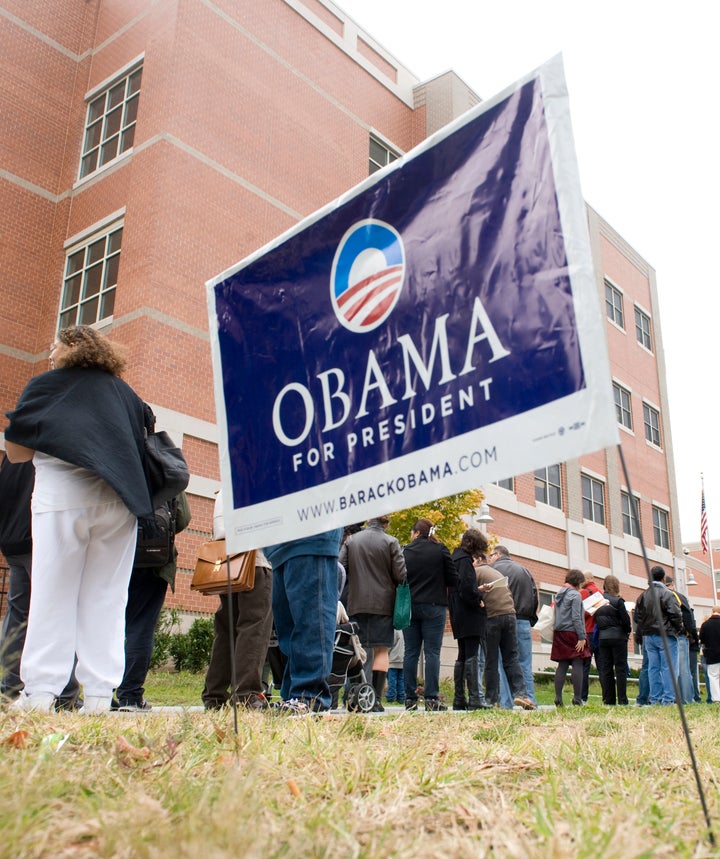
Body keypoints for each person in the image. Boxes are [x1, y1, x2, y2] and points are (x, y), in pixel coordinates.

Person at [3, 325, 153, 713]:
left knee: (52, 593)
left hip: (62, 497)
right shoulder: (126, 394)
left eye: (54, 346)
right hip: (121, 501)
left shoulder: (46, 385)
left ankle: (39, 693)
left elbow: (16, 452)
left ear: (72, 347)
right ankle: (100, 696)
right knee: (108, 597)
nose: (49, 354)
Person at [0, 455, 80, 709]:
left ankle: (8, 687)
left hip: (13, 540)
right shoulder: (49, 450)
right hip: (39, 539)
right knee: (57, 611)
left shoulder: (14, 452)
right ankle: (65, 693)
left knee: (18, 614)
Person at [113, 486, 191, 711]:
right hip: (156, 561)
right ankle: (130, 695)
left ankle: (101, 691)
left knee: (111, 626)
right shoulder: (167, 465)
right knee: (141, 628)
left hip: (119, 557)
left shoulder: (120, 460)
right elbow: (183, 518)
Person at [202, 489, 273, 711]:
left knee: (226, 631)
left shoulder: (224, 488)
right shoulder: (257, 483)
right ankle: (246, 694)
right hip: (256, 562)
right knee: (254, 628)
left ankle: (214, 695)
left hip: (228, 563)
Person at [265, 527, 343, 714]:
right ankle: (294, 696)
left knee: (311, 622)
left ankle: (309, 696)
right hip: (278, 545)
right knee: (289, 631)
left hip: (311, 533)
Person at [340, 515, 407, 712]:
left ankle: (353, 696)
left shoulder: (352, 540)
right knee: (381, 650)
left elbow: (340, 567)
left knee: (356, 650)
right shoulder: (391, 542)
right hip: (383, 605)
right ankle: (375, 699)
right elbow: (401, 575)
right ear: (386, 523)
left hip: (356, 602)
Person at [402, 518, 456, 712]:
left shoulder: (405, 551)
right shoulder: (440, 549)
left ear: (416, 533)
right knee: (432, 653)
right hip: (435, 606)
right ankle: (432, 698)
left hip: (410, 607)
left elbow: (398, 577)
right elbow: (453, 578)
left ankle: (410, 698)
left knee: (410, 653)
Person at [475, 551, 536, 709]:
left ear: (476, 560)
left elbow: (468, 593)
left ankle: (492, 700)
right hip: (510, 615)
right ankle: (521, 694)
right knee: (512, 658)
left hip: (492, 617)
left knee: (491, 660)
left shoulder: (477, 571)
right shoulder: (495, 572)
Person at [448, 527, 492, 710]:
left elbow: (458, 587)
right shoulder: (465, 561)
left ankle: (459, 698)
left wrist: (476, 590)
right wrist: (479, 600)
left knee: (462, 655)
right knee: (472, 655)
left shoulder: (454, 559)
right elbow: (467, 590)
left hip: (457, 612)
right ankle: (475, 698)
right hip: (470, 614)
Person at [633, 565, 683, 705]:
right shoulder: (668, 594)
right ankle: (668, 699)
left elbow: (638, 617)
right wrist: (678, 629)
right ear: (663, 578)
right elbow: (675, 614)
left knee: (653, 668)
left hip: (649, 635)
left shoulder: (643, 595)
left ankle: (655, 698)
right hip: (666, 634)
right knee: (669, 667)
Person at [551, 569, 590, 706]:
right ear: (578, 581)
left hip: (559, 632)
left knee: (562, 664)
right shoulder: (575, 595)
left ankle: (558, 697)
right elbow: (576, 617)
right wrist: (582, 636)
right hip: (572, 632)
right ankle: (577, 698)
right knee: (577, 663)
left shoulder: (559, 593)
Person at [593, 575, 631, 705]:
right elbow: (626, 621)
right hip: (618, 637)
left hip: (603, 637)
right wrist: (627, 631)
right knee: (620, 669)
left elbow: (594, 619)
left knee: (606, 669)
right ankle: (622, 699)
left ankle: (608, 699)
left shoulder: (598, 602)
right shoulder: (618, 601)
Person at [665, 576, 698, 705]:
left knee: (666, 668)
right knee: (683, 668)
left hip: (661, 635)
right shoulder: (677, 596)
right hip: (678, 634)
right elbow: (687, 615)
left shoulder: (655, 596)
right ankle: (686, 699)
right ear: (672, 584)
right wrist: (692, 634)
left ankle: (671, 698)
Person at [580, 571, 602, 703]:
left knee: (584, 666)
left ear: (587, 579)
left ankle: (583, 697)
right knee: (602, 666)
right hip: (600, 633)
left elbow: (580, 613)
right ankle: (607, 697)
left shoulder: (583, 593)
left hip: (587, 632)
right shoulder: (600, 593)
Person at [699, 606, 720, 702]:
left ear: (713, 612)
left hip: (712, 654)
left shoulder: (705, 625)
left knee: (713, 676)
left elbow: (702, 640)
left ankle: (716, 698)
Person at [385, 630, 405, 704]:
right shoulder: (406, 631)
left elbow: (389, 645)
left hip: (393, 659)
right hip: (403, 660)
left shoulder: (395, 631)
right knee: (401, 680)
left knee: (391, 680)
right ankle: (401, 697)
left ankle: (391, 697)